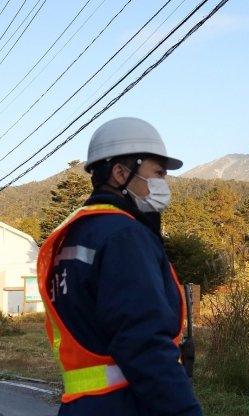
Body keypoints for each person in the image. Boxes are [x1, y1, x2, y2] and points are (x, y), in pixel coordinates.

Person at [37, 117, 202, 415]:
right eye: (158, 173)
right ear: (120, 173)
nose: (162, 184)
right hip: (122, 404)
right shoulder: (123, 235)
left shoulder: (75, 235)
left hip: (80, 406)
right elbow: (144, 341)